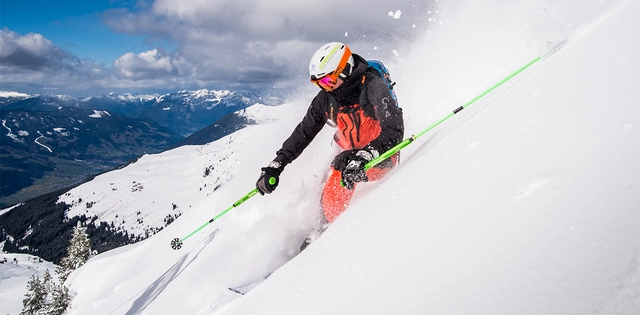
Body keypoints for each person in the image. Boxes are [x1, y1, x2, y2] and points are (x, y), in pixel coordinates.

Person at [256, 42, 404, 224]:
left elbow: (394, 129)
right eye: (319, 83)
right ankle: (316, 225)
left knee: (341, 168)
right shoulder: (326, 99)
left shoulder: (373, 87)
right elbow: (304, 132)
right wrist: (277, 165)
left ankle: (328, 232)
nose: (325, 87)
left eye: (327, 81)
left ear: (344, 70)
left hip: (382, 156)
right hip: (350, 154)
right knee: (325, 180)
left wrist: (366, 155)